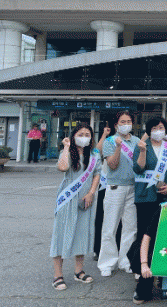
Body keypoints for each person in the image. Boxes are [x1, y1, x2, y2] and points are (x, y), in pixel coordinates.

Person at [50, 123, 109, 290]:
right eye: (80, 134)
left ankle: (79, 271)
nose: (84, 137)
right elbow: (62, 167)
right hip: (68, 198)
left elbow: (97, 173)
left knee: (82, 234)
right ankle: (57, 275)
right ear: (74, 136)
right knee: (61, 234)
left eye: (87, 134)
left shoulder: (94, 154)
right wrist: (66, 147)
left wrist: (91, 193)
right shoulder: (69, 152)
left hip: (86, 198)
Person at [97, 111, 140, 277]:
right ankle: (107, 263)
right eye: (123, 122)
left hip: (133, 187)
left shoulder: (136, 141)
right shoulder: (109, 141)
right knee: (110, 226)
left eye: (129, 121)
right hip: (115, 187)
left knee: (130, 227)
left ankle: (126, 261)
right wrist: (118, 147)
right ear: (116, 125)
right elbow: (112, 165)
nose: (126, 124)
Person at [132, 117, 167, 238]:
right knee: (144, 231)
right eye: (154, 128)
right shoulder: (141, 146)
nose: (158, 131)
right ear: (149, 131)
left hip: (166, 195)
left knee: (164, 230)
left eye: (161, 128)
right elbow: (138, 169)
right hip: (145, 195)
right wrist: (143, 151)